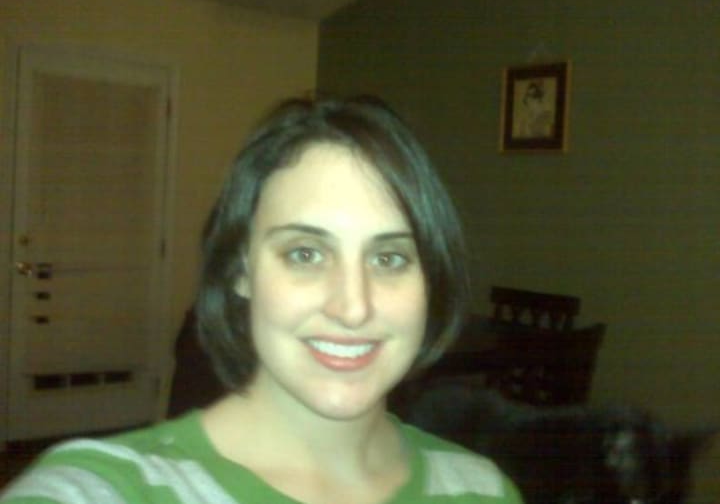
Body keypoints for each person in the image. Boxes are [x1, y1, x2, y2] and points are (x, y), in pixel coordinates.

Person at [0, 95, 524, 504]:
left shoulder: (482, 490)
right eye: (305, 253)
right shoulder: (108, 487)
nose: (353, 308)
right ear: (240, 270)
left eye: (388, 258)